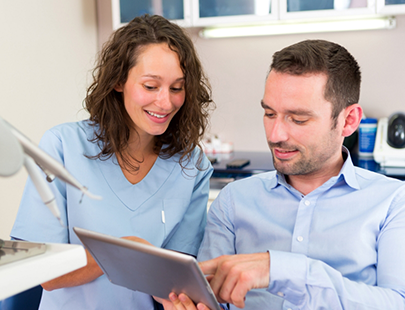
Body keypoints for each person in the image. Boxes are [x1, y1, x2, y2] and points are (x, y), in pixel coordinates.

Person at [165, 39, 405, 310]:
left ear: (348, 121)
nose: (275, 135)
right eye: (269, 113)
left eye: (299, 119)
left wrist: (280, 270)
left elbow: (397, 301)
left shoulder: (393, 203)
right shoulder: (233, 202)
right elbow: (209, 297)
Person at [10, 14, 214, 310]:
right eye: (150, 86)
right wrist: (127, 250)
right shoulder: (62, 147)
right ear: (119, 81)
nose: (166, 102)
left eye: (177, 88)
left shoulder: (191, 165)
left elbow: (177, 279)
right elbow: (46, 274)